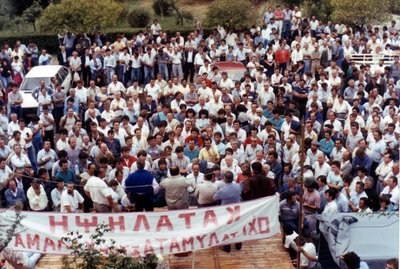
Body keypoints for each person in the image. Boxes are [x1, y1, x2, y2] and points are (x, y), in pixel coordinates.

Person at [213, 171, 242, 253]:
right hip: (237, 210)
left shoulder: (223, 190)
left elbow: (214, 197)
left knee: (226, 229)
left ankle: (227, 247)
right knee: (237, 227)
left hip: (226, 212)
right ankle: (238, 245)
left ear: (225, 179)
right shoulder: (238, 186)